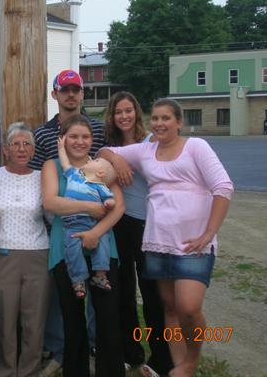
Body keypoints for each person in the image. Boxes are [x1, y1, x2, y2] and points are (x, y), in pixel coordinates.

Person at [100, 98, 233, 377]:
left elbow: (223, 187)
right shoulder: (146, 150)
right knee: (170, 308)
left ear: (179, 122)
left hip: (193, 242)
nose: (159, 124)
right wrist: (117, 160)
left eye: (166, 118)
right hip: (158, 242)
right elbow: (104, 150)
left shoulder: (195, 147)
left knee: (189, 307)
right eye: (156, 119)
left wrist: (209, 233)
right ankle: (179, 365)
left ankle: (191, 360)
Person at [30, 69, 103, 374]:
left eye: (76, 89)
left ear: (83, 93)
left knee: (96, 286)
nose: (71, 95)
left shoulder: (97, 130)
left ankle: (94, 344)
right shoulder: (43, 134)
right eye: (65, 90)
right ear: (55, 94)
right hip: (57, 224)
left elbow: (106, 166)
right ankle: (62, 350)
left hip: (97, 223)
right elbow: (37, 178)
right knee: (64, 293)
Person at [41, 114, 126, 376]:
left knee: (108, 316)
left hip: (102, 245)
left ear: (92, 140)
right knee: (72, 318)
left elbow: (118, 206)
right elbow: (51, 203)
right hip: (66, 248)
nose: (80, 141)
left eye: (85, 136)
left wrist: (95, 233)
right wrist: (89, 207)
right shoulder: (52, 166)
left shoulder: (100, 167)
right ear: (63, 139)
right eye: (74, 136)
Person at [103, 92, 173, 376]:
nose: (124, 116)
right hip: (119, 222)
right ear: (112, 115)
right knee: (122, 291)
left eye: (128, 111)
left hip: (148, 225)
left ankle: (160, 357)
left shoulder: (150, 141)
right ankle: (130, 351)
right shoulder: (111, 146)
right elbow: (102, 154)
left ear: (136, 113)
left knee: (153, 294)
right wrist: (116, 160)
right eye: (118, 112)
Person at [0, 122, 50, 376]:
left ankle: (29, 370)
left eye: (27, 144)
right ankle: (4, 370)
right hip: (3, 253)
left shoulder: (42, 177)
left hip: (37, 252)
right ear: (5, 149)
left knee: (33, 320)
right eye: (16, 144)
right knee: (3, 317)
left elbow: (52, 213)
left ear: (34, 151)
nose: (22, 149)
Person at [57, 135, 117, 296]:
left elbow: (109, 199)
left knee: (103, 241)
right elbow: (64, 163)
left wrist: (109, 203)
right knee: (72, 248)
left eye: (95, 161)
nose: (91, 160)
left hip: (93, 222)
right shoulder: (74, 174)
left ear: (100, 172)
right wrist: (61, 148)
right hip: (73, 222)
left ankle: (100, 274)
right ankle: (78, 279)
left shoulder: (100, 186)